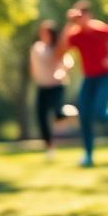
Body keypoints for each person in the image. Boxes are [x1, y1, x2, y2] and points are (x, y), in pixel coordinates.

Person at [58, 0, 108, 167]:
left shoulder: (98, 29)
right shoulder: (75, 35)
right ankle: (88, 155)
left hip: (105, 76)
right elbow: (61, 49)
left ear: (89, 16)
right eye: (77, 17)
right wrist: (68, 24)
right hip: (89, 79)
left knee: (99, 113)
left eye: (82, 16)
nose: (80, 20)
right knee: (84, 117)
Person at [30, 20, 77, 156]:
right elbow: (33, 65)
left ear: (51, 33)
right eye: (41, 31)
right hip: (42, 86)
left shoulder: (57, 48)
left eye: (46, 32)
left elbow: (68, 62)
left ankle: (71, 111)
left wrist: (62, 72)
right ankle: (49, 147)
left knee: (57, 113)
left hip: (57, 85)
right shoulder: (36, 47)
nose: (43, 34)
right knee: (41, 117)